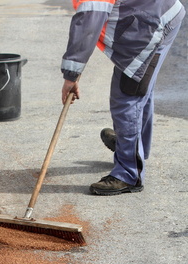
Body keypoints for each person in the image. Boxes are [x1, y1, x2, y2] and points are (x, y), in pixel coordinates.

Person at [61, 0, 186, 195]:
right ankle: (134, 147)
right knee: (140, 89)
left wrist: (71, 76)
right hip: (161, 13)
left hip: (149, 25)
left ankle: (128, 174)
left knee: (127, 98)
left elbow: (88, 26)